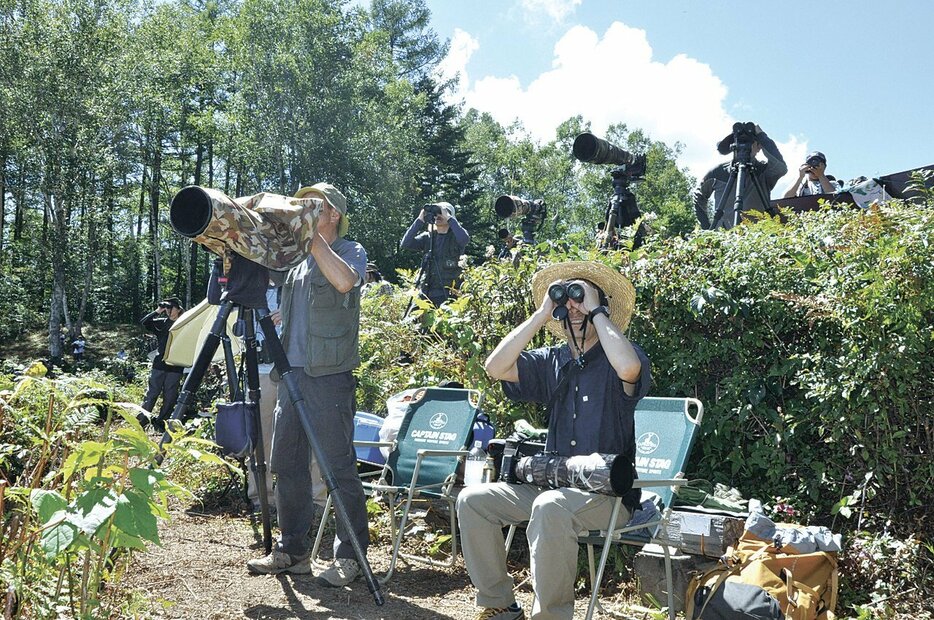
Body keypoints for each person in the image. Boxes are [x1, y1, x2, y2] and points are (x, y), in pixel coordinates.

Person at [457, 261, 652, 620]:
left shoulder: (619, 355)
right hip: (554, 484)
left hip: (608, 496)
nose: (574, 309)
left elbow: (629, 370)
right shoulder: (553, 361)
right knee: (473, 501)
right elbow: (495, 367)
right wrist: (542, 313)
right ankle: (498, 603)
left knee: (550, 506)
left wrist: (595, 310)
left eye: (581, 299)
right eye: (569, 301)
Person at [246, 182, 370, 588]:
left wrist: (312, 238)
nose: (304, 208)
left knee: (338, 469)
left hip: (329, 378)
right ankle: (293, 552)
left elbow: (345, 282)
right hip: (291, 375)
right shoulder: (296, 262)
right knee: (288, 465)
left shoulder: (350, 252)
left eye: (313, 204)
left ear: (333, 213)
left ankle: (351, 557)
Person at [693, 123, 787, 230]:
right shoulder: (718, 172)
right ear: (733, 145)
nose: (744, 146)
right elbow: (699, 195)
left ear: (759, 147)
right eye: (740, 141)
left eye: (749, 142)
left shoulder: (763, 171)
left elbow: (781, 168)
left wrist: (762, 136)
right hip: (725, 238)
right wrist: (706, 227)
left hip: (756, 237)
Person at [400, 201, 470, 306]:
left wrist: (448, 217)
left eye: (442, 213)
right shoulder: (428, 237)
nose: (438, 216)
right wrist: (420, 219)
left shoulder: (455, 237)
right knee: (411, 320)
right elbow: (405, 244)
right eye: (436, 213)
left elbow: (464, 239)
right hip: (426, 292)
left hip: (448, 293)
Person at [138, 298, 185, 433]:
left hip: (176, 364)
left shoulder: (184, 324)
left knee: (170, 396)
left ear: (179, 309)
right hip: (160, 364)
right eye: (168, 308)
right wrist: (159, 310)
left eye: (172, 308)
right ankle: (142, 420)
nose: (169, 311)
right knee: (152, 393)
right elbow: (145, 322)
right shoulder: (162, 323)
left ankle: (161, 423)